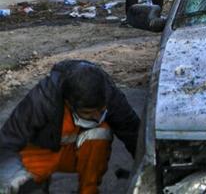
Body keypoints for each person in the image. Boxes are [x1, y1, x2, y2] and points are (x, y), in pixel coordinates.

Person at [0, 61, 140, 194]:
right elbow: (7, 142)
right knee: (18, 183)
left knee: (100, 132)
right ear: (69, 103)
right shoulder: (40, 100)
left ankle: (88, 191)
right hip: (42, 152)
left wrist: (147, 171)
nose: (96, 117)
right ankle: (36, 183)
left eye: (100, 110)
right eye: (87, 113)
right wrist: (18, 179)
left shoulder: (111, 96)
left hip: (75, 153)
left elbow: (134, 134)